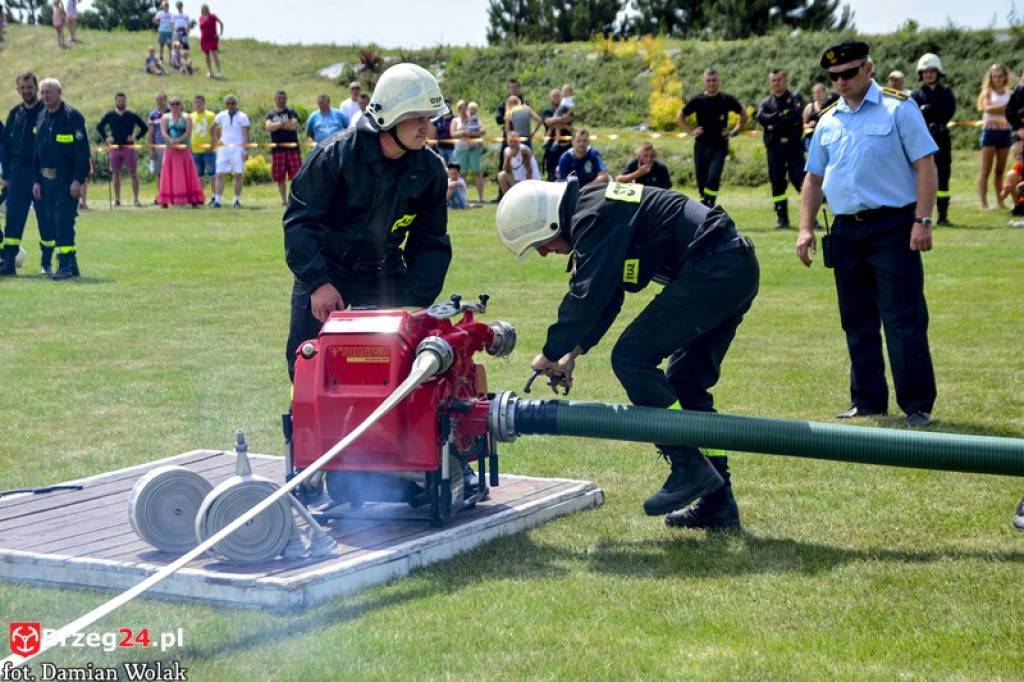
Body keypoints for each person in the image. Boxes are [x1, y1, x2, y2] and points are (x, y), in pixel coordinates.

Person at [496, 178, 758, 530]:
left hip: (715, 267)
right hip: (732, 266)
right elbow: (609, 293)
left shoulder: (593, 216)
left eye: (539, 244)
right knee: (686, 386)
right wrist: (572, 352)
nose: (544, 253)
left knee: (631, 357)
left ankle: (688, 466)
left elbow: (588, 295)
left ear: (550, 224)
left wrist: (550, 351)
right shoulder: (593, 211)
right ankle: (718, 503)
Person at [797, 40, 938, 429]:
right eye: (834, 76)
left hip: (893, 226)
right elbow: (813, 179)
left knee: (903, 317)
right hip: (845, 229)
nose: (841, 82)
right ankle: (867, 400)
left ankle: (917, 405)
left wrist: (923, 220)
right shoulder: (828, 119)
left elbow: (926, 165)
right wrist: (805, 229)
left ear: (868, 68)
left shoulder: (899, 108)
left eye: (848, 73)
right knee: (856, 320)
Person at [283, 62, 452, 381]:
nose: (425, 127)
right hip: (327, 269)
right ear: (390, 116)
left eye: (428, 118)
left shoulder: (430, 171)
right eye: (417, 117)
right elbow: (300, 221)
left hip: (384, 271)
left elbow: (430, 241)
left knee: (399, 363)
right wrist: (317, 282)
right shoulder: (335, 155)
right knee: (308, 362)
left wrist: (414, 301)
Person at [32, 77, 90, 280]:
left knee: (63, 221)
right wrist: (36, 180)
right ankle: (72, 263)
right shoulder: (41, 117)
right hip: (45, 180)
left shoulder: (72, 116)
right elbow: (37, 151)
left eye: (49, 92)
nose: (45, 96)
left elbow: (82, 153)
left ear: (59, 92)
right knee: (50, 221)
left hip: (66, 180)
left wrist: (78, 181)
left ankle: (64, 265)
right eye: (43, 93)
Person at [0, 73, 51, 276]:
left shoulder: (46, 112)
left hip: (40, 176)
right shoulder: (15, 114)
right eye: (23, 87)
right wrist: (6, 175)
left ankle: (46, 263)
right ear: (17, 90)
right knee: (13, 219)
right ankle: (9, 262)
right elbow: (5, 146)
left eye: (30, 87)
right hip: (17, 176)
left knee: (45, 219)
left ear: (36, 88)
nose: (26, 91)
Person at [677, 68, 748, 207]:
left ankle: (709, 203)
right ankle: (705, 203)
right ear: (704, 82)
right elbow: (680, 116)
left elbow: (744, 115)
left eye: (714, 80)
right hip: (701, 145)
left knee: (713, 177)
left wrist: (734, 131)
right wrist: (691, 131)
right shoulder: (698, 100)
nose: (711, 83)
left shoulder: (726, 99)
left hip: (719, 145)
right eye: (708, 81)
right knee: (701, 179)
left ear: (719, 81)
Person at [756, 68, 806, 229]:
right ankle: (782, 219)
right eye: (773, 80)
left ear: (786, 80)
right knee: (777, 182)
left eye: (779, 79)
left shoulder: (795, 98)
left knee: (800, 181)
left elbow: (795, 116)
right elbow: (761, 118)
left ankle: (809, 218)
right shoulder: (766, 102)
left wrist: (774, 123)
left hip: (793, 146)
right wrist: (781, 116)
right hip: (774, 147)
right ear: (770, 83)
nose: (776, 83)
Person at [911, 53, 957, 226]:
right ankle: (919, 216)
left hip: (942, 138)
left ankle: (943, 216)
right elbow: (914, 116)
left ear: (938, 72)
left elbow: (949, 111)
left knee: (943, 176)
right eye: (925, 71)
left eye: (932, 71)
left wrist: (928, 109)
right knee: (920, 176)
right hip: (922, 139)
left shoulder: (946, 93)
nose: (929, 74)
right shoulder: (916, 94)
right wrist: (930, 111)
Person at [96, 92, 147, 207]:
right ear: (115, 102)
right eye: (118, 101)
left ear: (125, 101)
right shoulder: (110, 115)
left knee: (133, 172)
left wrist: (136, 137)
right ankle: (117, 199)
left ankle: (136, 199)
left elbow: (144, 127)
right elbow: (99, 127)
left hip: (128, 147)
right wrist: (106, 137)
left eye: (122, 100)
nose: (120, 102)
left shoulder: (131, 115)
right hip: (114, 148)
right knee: (115, 173)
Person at [156, 96, 204, 207]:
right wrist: (170, 140)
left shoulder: (186, 117)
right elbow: (163, 131)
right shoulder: (165, 117)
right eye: (172, 104)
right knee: (168, 173)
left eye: (177, 104)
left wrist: (179, 140)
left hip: (184, 149)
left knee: (188, 173)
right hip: (170, 149)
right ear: (169, 106)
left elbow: (188, 132)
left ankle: (192, 199)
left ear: (181, 105)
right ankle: (166, 199)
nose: (175, 106)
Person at [977, 63, 1012, 211]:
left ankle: (1000, 201)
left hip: (1005, 132)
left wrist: (1003, 110)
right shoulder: (987, 92)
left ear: (1005, 77)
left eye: (1000, 76)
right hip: (990, 132)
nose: (998, 79)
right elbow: (988, 109)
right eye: (995, 76)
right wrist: (1007, 108)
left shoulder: (1009, 93)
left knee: (1000, 170)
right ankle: (983, 203)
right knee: (986, 169)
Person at [210, 93, 249, 208]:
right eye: (228, 103)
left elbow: (246, 135)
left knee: (238, 174)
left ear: (236, 104)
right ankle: (217, 200)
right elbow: (212, 128)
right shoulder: (221, 115)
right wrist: (217, 141)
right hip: (224, 148)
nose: (230, 105)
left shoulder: (243, 116)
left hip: (238, 148)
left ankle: (236, 200)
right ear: (225, 104)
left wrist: (245, 150)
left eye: (232, 103)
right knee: (220, 174)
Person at [265, 90, 302, 205]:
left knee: (297, 175)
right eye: (279, 98)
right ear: (275, 99)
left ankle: (296, 199)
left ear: (286, 99)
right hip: (277, 150)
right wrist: (283, 123)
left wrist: (277, 126)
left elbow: (294, 125)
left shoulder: (291, 112)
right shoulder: (270, 114)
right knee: (279, 177)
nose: (281, 100)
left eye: (283, 98)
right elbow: (269, 127)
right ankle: (284, 200)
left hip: (293, 149)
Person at [450, 99, 486, 204]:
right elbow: (453, 134)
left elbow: (483, 130)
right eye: (460, 108)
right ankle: (463, 198)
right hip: (461, 149)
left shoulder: (474, 118)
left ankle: (481, 198)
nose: (463, 110)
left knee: (477, 172)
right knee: (462, 174)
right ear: (458, 110)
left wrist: (473, 134)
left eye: (464, 107)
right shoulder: (455, 121)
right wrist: (464, 132)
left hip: (474, 149)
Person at [541, 88, 573, 182]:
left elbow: (569, 120)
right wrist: (561, 120)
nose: (556, 98)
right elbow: (547, 122)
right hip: (551, 148)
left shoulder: (567, 110)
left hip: (566, 146)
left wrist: (555, 121)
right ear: (550, 98)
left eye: (558, 96)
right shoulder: (547, 111)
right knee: (551, 175)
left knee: (568, 174)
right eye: (554, 96)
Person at [189, 94, 217, 197]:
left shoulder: (211, 115)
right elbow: (189, 133)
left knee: (212, 174)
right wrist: (189, 147)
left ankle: (215, 196)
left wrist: (213, 146)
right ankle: (200, 196)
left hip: (208, 150)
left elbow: (217, 133)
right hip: (195, 151)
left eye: (200, 102)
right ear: (193, 104)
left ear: (204, 103)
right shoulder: (190, 116)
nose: (198, 104)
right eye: (196, 102)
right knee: (199, 175)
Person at [803, 82, 838, 152]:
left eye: (819, 92)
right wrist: (810, 125)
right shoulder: (809, 107)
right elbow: (803, 124)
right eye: (814, 92)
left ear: (825, 92)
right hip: (812, 137)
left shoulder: (832, 105)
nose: (817, 94)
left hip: (829, 135)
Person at [147, 92, 169, 193]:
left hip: (170, 146)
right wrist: (151, 149)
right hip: (158, 146)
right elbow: (151, 133)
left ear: (166, 99)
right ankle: (161, 194)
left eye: (161, 99)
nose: (159, 102)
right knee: (159, 173)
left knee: (171, 172)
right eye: (157, 100)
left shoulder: (172, 111)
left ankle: (171, 194)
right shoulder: (153, 114)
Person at [1001, 141, 1024, 225]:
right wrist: (1006, 190)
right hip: (1020, 198)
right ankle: (1018, 208)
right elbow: (1001, 196)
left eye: (1021, 153)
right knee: (1011, 174)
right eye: (1015, 154)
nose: (1018, 156)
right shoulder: (1016, 167)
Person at [198, 3, 223, 79]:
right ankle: (210, 71)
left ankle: (218, 72)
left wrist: (220, 33)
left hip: (212, 38)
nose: (204, 10)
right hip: (204, 39)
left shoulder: (213, 16)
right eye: (203, 9)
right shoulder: (201, 18)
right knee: (207, 55)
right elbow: (200, 27)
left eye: (206, 9)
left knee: (214, 54)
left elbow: (221, 23)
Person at [431, 98, 455, 164]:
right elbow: (433, 135)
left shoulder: (455, 119)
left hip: (453, 148)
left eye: (448, 107)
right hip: (440, 148)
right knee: (442, 166)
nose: (447, 109)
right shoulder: (437, 120)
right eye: (445, 107)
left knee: (452, 167)